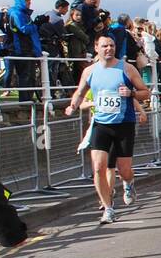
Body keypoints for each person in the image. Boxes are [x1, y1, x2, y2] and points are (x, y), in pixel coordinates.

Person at [64, 33, 152, 223]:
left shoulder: (127, 69)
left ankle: (128, 182)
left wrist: (131, 93)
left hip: (123, 125)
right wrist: (72, 105)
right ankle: (108, 208)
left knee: (124, 169)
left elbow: (146, 93)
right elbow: (80, 93)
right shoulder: (89, 71)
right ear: (96, 48)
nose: (109, 49)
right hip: (101, 124)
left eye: (111, 45)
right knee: (98, 168)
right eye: (104, 46)